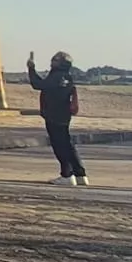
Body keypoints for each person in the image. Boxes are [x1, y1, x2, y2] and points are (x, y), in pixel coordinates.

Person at [27, 50, 87, 186]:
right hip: (64, 114)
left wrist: (31, 68)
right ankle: (80, 174)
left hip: (54, 114)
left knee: (59, 145)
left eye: (54, 60)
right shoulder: (68, 77)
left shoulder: (55, 76)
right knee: (68, 144)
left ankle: (67, 174)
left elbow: (38, 84)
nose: (51, 63)